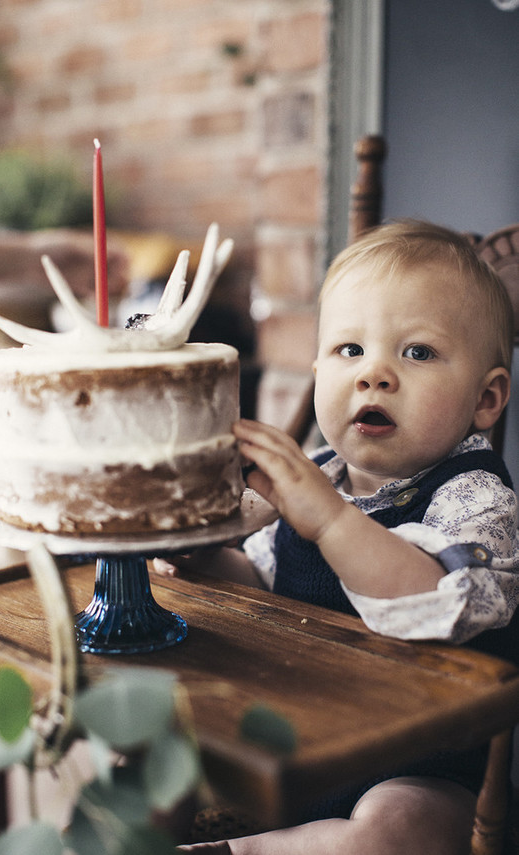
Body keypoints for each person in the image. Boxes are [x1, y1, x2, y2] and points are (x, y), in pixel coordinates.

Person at [166, 221, 519, 855]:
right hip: (300, 738)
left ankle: (240, 850)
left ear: (486, 399)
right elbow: (262, 579)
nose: (374, 375)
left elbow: (434, 602)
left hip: (419, 767)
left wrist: (329, 520)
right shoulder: (322, 475)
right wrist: (203, 560)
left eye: (417, 352)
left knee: (398, 828)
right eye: (349, 350)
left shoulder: (477, 500)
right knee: (156, 753)